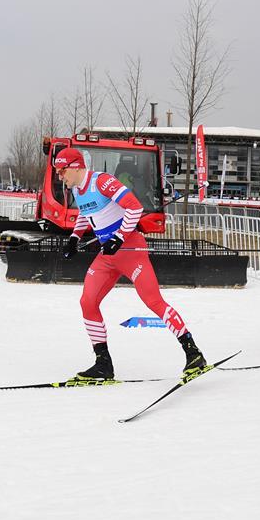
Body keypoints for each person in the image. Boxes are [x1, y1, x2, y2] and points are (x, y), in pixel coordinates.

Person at [55, 147, 204, 380]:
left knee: (153, 301)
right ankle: (103, 364)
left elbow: (135, 207)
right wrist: (75, 238)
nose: (59, 176)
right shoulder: (76, 189)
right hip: (108, 255)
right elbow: (85, 212)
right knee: (87, 302)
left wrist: (118, 237)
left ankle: (193, 353)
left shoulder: (101, 182)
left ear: (75, 166)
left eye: (61, 170)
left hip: (130, 250)